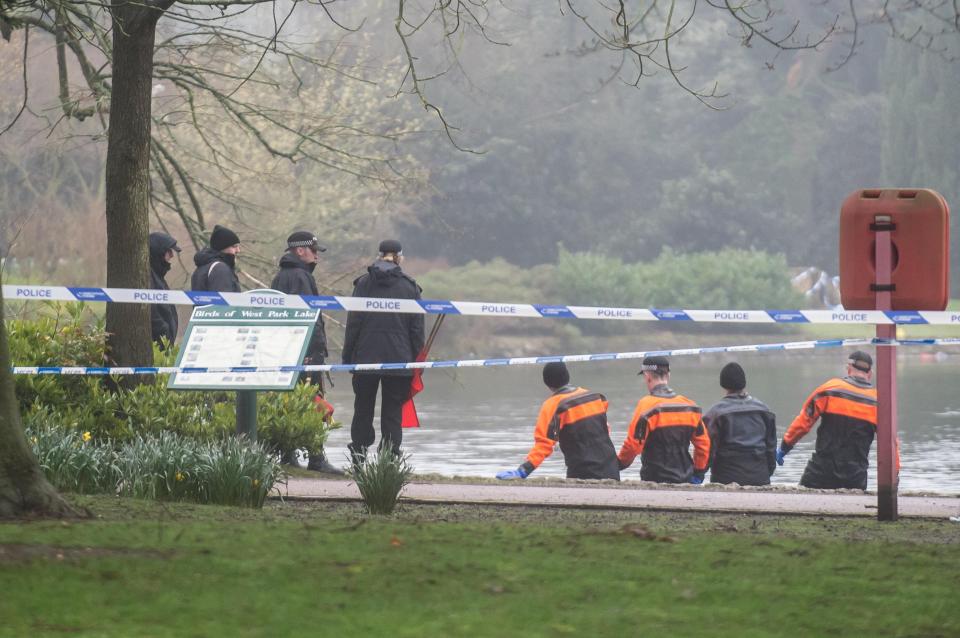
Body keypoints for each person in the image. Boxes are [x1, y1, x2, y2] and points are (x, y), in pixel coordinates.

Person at [342, 239, 424, 462]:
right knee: (392, 413)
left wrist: (348, 358)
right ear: (400, 257)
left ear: (379, 256)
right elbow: (416, 330)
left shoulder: (363, 284)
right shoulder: (410, 287)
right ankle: (388, 462)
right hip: (400, 360)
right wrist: (418, 363)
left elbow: (354, 324)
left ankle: (358, 457)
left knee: (362, 409)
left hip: (365, 358)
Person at [270, 230, 341, 474]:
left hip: (285, 351)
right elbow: (309, 318)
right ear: (300, 251)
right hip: (306, 352)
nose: (317, 257)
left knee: (289, 402)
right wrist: (314, 350)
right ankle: (316, 458)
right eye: (314, 251)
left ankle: (287, 454)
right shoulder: (301, 277)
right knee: (315, 402)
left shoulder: (280, 276)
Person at [777, 351, 896, 490]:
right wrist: (895, 474)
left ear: (849, 368)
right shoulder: (878, 402)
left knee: (803, 501)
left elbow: (803, 423)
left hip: (821, 471)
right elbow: (891, 443)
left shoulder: (830, 389)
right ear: (870, 374)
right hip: (855, 475)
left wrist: (784, 448)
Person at [495, 362, 620, 481]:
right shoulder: (593, 397)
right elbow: (605, 429)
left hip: (583, 472)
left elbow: (544, 444)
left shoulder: (553, 406)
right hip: (611, 468)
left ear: (546, 382)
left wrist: (523, 470)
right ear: (567, 376)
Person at [617, 355, 711, 484]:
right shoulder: (690, 406)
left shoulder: (646, 406)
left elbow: (633, 445)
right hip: (686, 478)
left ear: (647, 376)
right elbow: (703, 444)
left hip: (654, 479)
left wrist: (618, 465)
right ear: (668, 375)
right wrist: (699, 472)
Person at [702, 362, 777, 486]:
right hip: (760, 476)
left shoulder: (714, 414)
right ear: (744, 382)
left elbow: (707, 451)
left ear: (723, 384)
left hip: (726, 478)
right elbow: (771, 448)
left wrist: (699, 473)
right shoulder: (765, 411)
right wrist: (767, 472)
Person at [148, 231, 181, 349]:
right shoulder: (148, 277)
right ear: (159, 252)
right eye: (169, 251)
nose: (172, 255)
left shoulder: (158, 276)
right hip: (158, 347)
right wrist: (165, 335)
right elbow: (153, 314)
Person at [190, 224, 241, 293]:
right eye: (234, 246)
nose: (238, 250)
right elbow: (222, 302)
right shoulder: (220, 268)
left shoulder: (203, 267)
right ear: (222, 247)